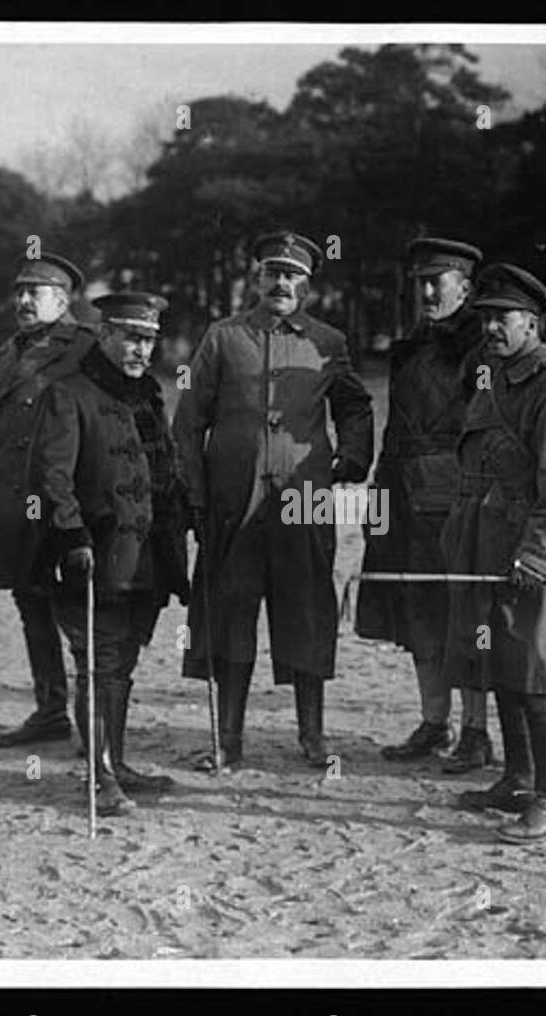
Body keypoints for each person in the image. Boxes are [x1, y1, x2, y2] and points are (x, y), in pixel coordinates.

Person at [172, 231, 374, 771]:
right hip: (232, 505)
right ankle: (228, 739)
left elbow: (354, 406)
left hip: (303, 503)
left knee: (307, 613)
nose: (281, 283)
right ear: (256, 279)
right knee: (229, 616)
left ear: (307, 286)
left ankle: (312, 736)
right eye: (272, 272)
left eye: (293, 276)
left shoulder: (328, 342)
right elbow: (189, 422)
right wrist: (195, 495)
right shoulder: (222, 337)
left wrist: (353, 457)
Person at [440, 264, 546, 842]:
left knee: (537, 671)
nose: (489, 328)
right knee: (503, 663)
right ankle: (516, 776)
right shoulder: (491, 374)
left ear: (531, 322)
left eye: (501, 318)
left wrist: (536, 557)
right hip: (487, 542)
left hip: (535, 556)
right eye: (483, 317)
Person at [31, 294, 180, 816]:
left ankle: (116, 761)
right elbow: (52, 479)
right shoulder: (68, 394)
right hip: (92, 555)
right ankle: (98, 777)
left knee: (122, 664)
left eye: (149, 339)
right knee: (97, 664)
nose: (141, 349)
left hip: (145, 556)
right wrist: (71, 537)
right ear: (104, 336)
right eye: (130, 337)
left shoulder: (149, 395)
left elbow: (161, 469)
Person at [355, 237, 492, 770]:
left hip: (458, 501)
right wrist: (379, 499)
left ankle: (476, 731)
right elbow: (396, 430)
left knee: (466, 614)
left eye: (440, 281)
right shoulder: (410, 346)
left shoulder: (483, 347)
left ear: (466, 287)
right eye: (421, 282)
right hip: (403, 496)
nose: (429, 291)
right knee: (417, 613)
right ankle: (435, 722)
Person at [0, 251, 96, 751]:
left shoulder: (87, 347)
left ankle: (93, 723)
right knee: (29, 600)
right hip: (12, 498)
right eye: (18, 292)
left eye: (33, 293)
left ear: (61, 301)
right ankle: (49, 709)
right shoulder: (7, 351)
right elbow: (0, 422)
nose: (21, 300)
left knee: (72, 603)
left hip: (59, 495)